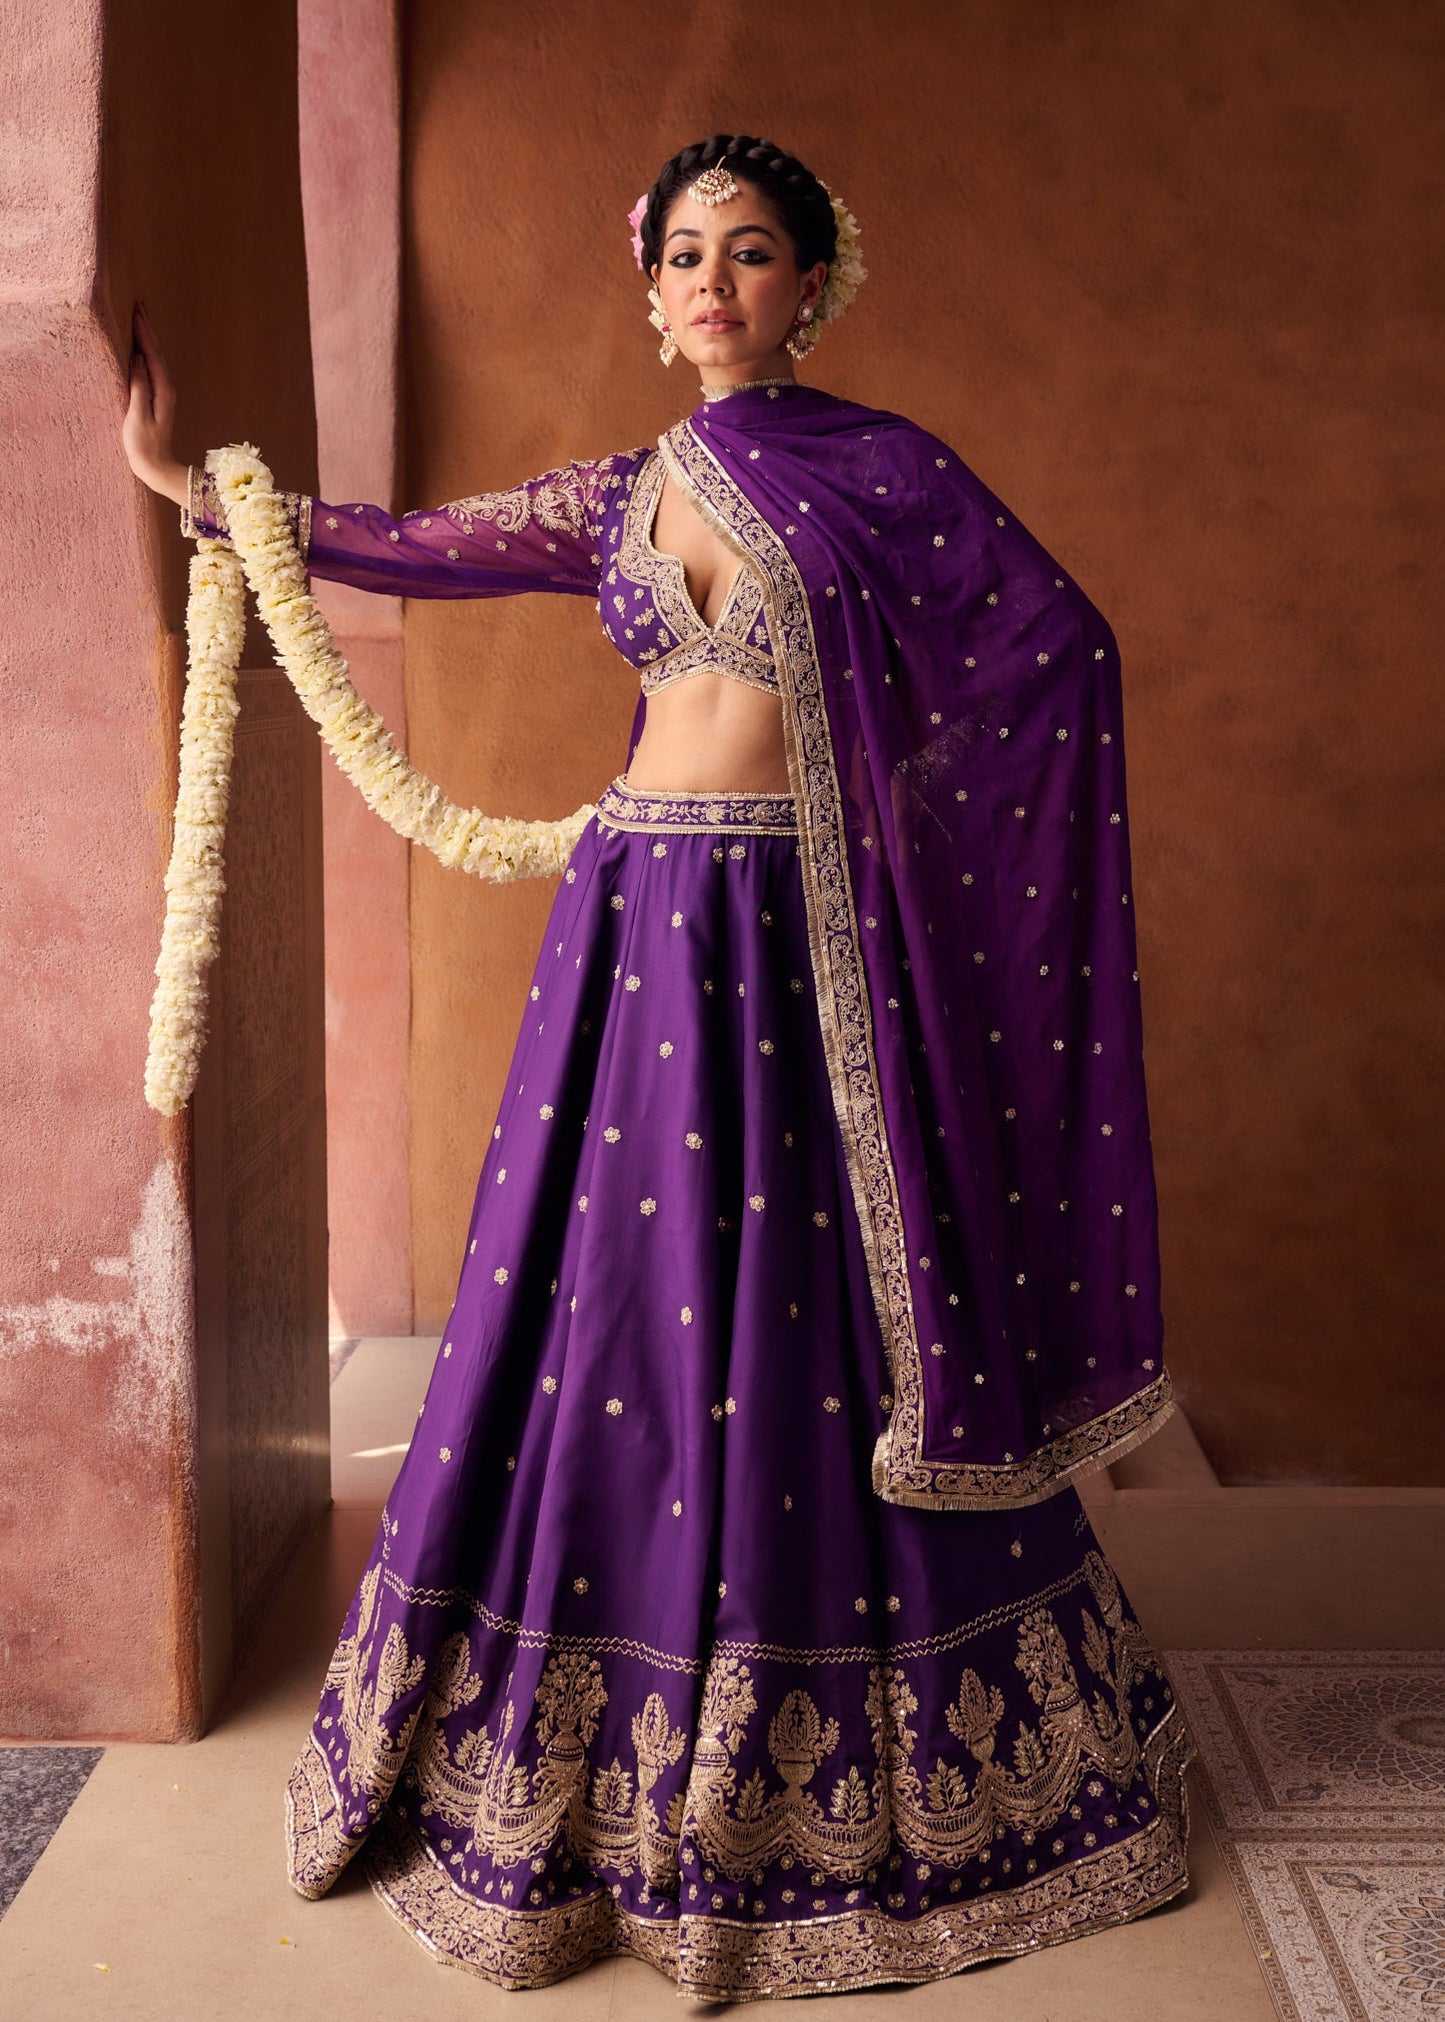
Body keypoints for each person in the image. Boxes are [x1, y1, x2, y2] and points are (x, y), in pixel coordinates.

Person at [124, 133, 1193, 2003]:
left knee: (797, 1302)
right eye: (686, 254)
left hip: (800, 940)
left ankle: (832, 1733)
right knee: (615, 1296)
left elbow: (1055, 651)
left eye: (753, 252)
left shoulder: (882, 471)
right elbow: (421, 544)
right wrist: (205, 497)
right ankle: (571, 1714)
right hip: (635, 924)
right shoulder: (621, 491)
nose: (714, 282)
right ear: (650, 291)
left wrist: (911, 835)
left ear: (810, 285)